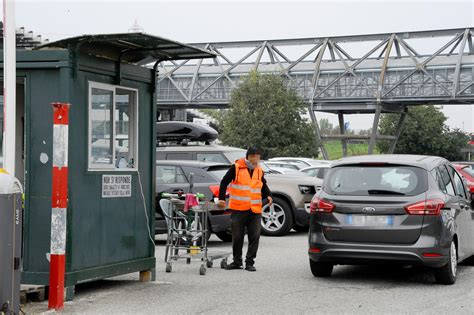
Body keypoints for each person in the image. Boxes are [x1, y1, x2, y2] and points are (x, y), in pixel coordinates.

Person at [217, 147, 272, 272]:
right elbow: (224, 182)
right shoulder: (236, 167)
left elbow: (263, 185)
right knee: (237, 237)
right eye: (254, 158)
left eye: (258, 158)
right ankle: (237, 262)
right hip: (239, 209)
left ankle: (249, 262)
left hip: (255, 210)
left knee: (254, 237)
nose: (256, 161)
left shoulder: (258, 170)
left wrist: (269, 195)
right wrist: (221, 199)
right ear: (249, 157)